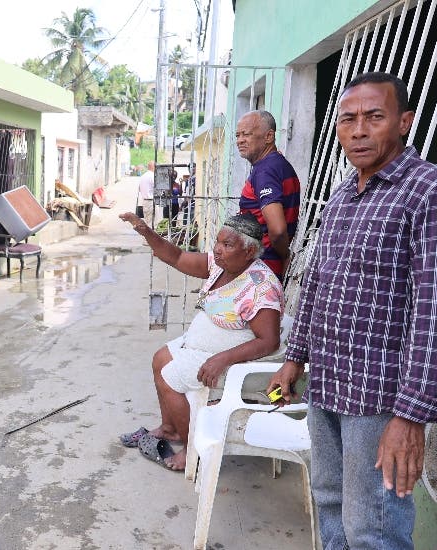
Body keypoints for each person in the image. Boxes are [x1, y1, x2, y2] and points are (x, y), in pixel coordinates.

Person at [268, 72, 437, 549]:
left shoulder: (426, 192)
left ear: (404, 123)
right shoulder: (344, 195)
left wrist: (411, 417)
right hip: (328, 384)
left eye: (374, 117)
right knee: (328, 503)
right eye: (348, 120)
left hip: (382, 401)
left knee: (373, 529)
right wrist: (294, 357)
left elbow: (432, 310)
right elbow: (319, 282)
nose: (359, 130)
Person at [118, 211, 284, 471]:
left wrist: (222, 359)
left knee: (171, 376)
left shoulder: (261, 286)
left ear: (250, 250)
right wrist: (146, 232)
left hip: (232, 360)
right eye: (218, 242)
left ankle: (190, 449)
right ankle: (171, 428)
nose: (217, 250)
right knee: (160, 358)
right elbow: (178, 257)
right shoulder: (220, 265)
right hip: (205, 347)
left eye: (227, 245)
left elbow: (269, 341)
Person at [236, 110, 301, 279]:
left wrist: (285, 256)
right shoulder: (277, 164)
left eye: (247, 134)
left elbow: (278, 230)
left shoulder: (265, 171)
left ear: (269, 136)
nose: (240, 140)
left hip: (263, 269)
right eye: (237, 135)